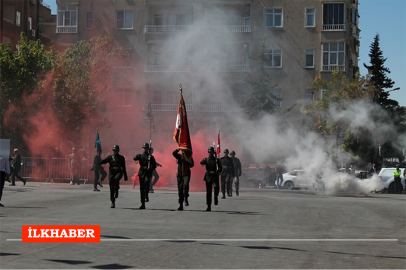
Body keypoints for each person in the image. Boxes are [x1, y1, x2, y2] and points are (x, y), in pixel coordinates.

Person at [133, 143, 157, 209]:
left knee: (146, 183)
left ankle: (146, 194)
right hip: (142, 172)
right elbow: (134, 158)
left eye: (146, 148)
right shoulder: (140, 156)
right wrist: (136, 157)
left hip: (148, 172)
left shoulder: (150, 157)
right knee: (142, 188)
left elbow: (154, 165)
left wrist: (151, 168)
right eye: (144, 148)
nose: (145, 149)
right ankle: (142, 203)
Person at [200, 147, 222, 211]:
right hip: (208, 176)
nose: (210, 153)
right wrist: (203, 161)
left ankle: (215, 197)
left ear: (213, 152)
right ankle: (208, 205)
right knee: (208, 192)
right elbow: (201, 163)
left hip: (215, 175)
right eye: (209, 152)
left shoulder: (217, 160)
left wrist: (218, 170)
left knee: (216, 187)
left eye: (212, 152)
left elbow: (220, 168)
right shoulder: (206, 159)